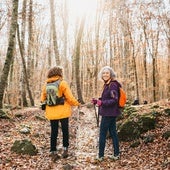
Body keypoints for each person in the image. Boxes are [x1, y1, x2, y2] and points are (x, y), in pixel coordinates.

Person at [41, 66, 80, 161]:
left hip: (51, 112)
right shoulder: (62, 83)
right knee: (65, 130)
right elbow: (69, 98)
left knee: (54, 131)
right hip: (63, 111)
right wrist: (77, 103)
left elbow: (42, 99)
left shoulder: (46, 84)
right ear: (60, 73)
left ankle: (53, 151)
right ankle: (65, 149)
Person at [92, 66, 121, 161]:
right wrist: (98, 101)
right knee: (113, 133)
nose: (105, 74)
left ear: (111, 74)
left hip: (109, 113)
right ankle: (116, 154)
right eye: (103, 73)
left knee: (102, 134)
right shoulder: (107, 84)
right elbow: (107, 98)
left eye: (107, 73)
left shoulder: (112, 85)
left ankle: (100, 156)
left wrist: (102, 103)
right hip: (110, 113)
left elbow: (114, 100)